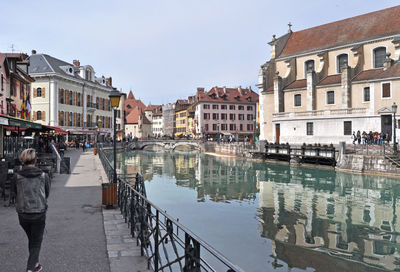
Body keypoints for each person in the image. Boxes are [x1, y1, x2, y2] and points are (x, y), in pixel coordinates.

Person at [13, 148, 50, 272]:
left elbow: (15, 193)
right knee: (36, 243)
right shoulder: (44, 175)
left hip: (23, 214)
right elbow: (47, 193)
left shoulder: (17, 176)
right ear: (36, 160)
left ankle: (36, 265)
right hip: (38, 213)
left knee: (32, 240)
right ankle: (30, 269)